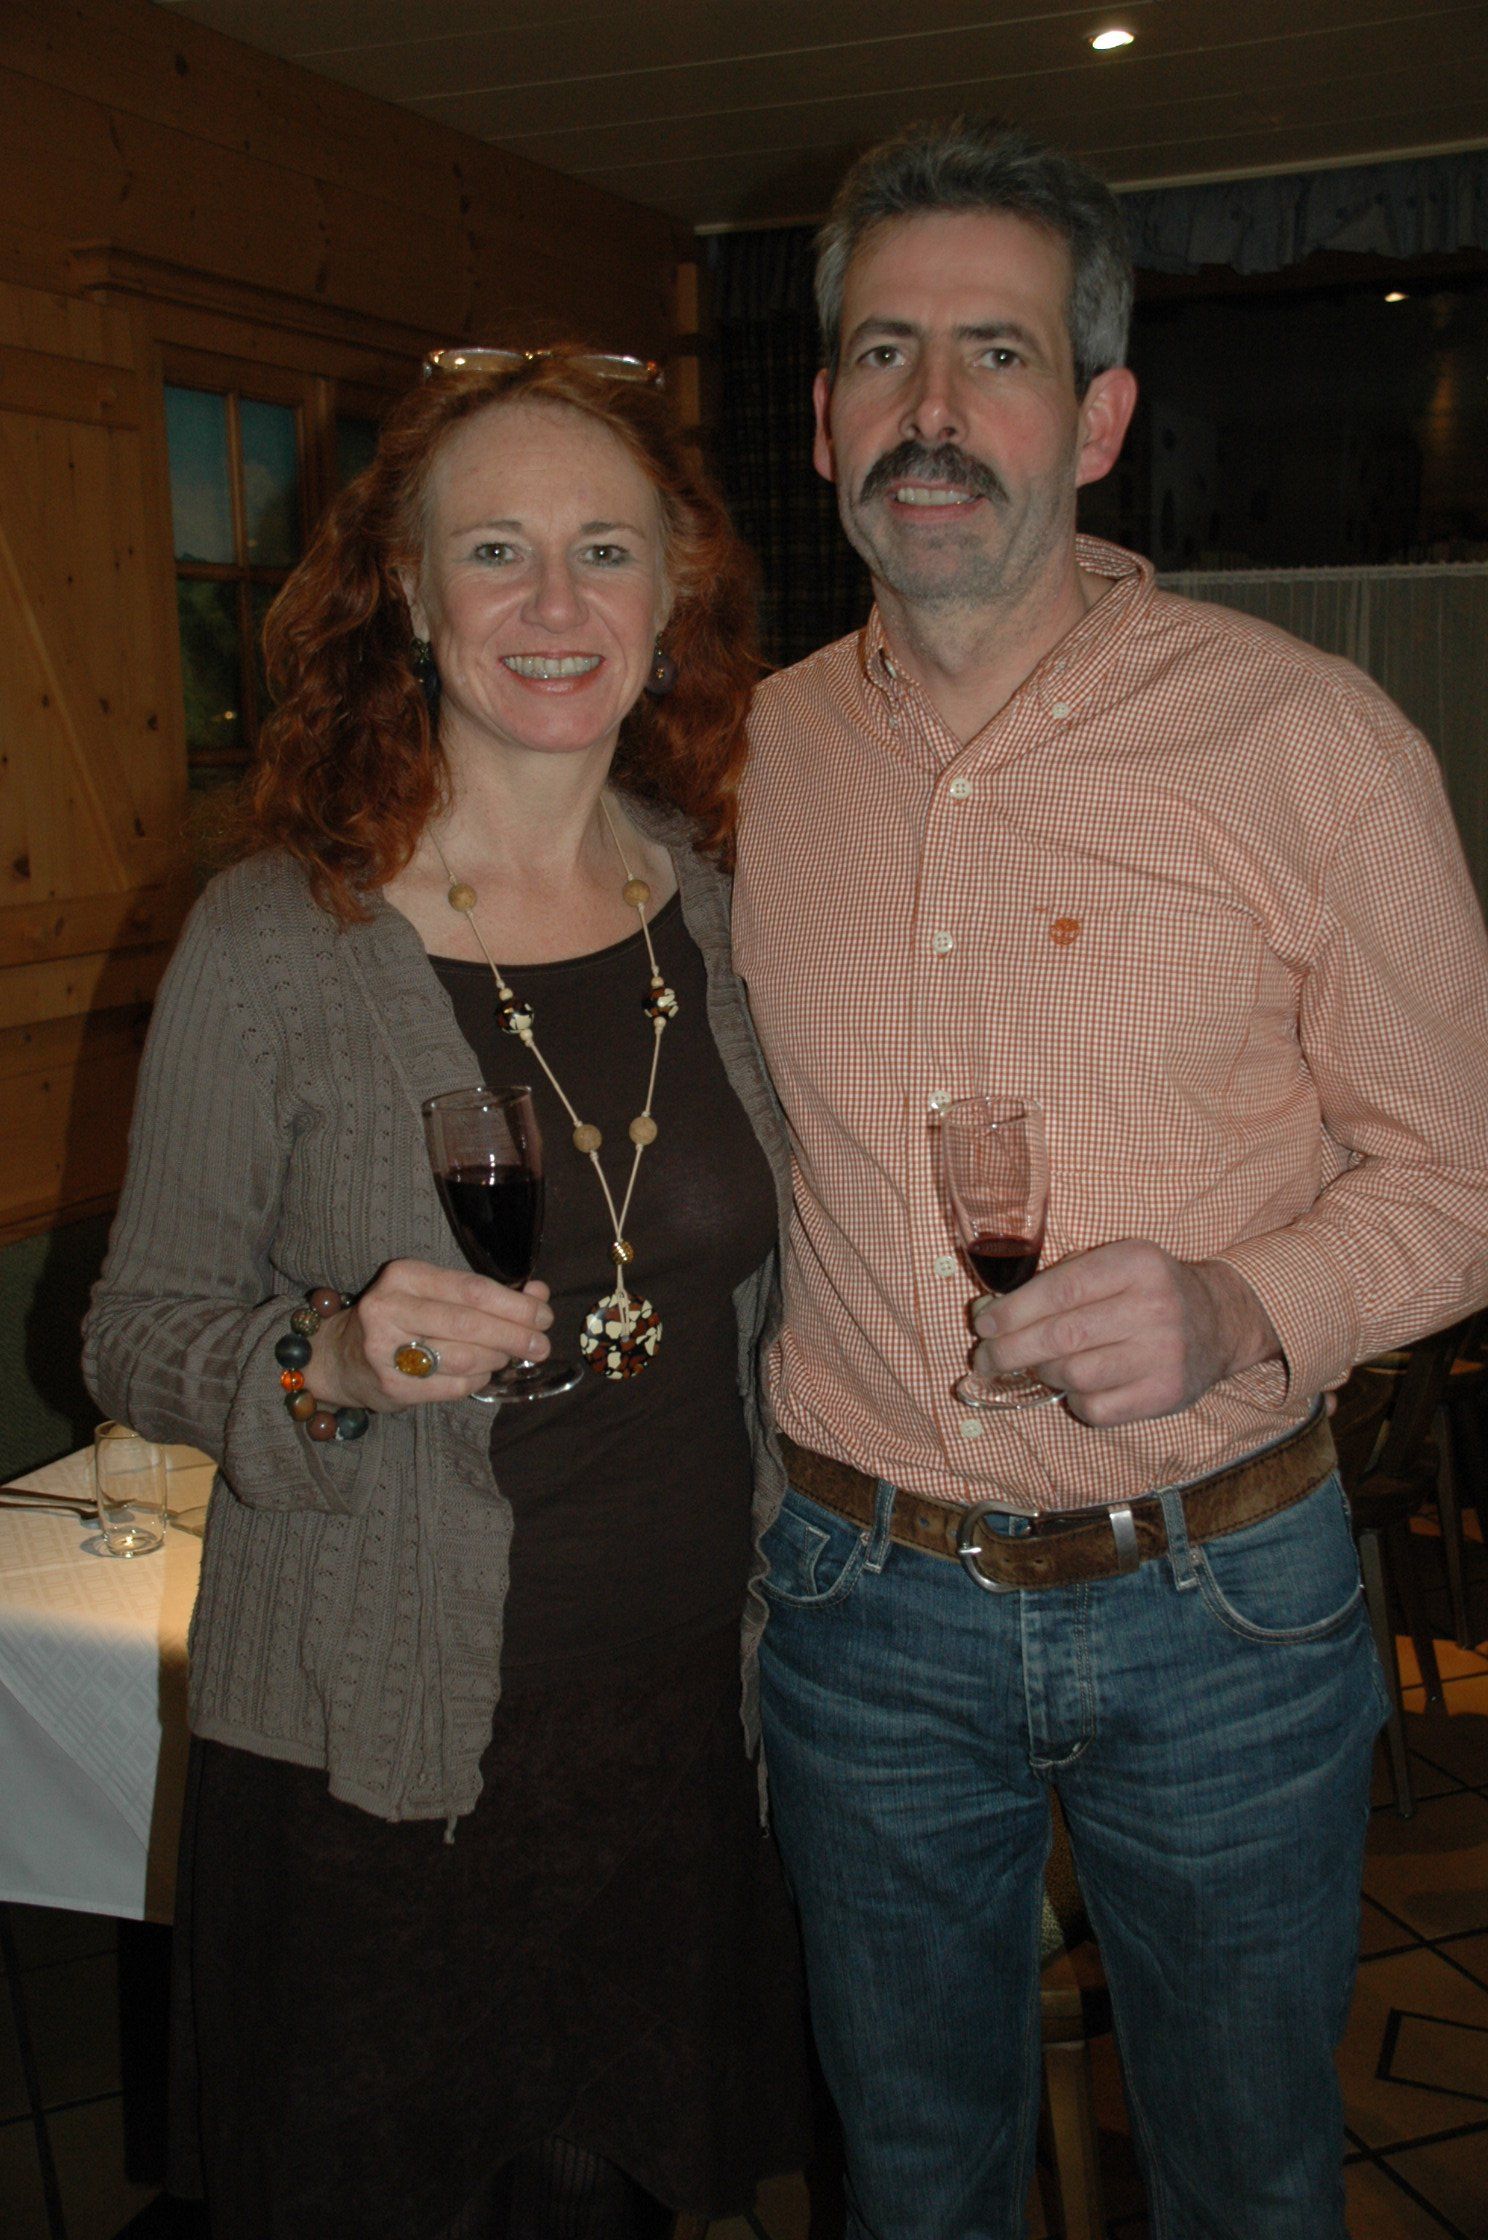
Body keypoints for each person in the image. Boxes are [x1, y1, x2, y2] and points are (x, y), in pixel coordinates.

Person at [731, 118, 1488, 2240]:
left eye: (997, 353)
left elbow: (1466, 1172)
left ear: (1101, 418)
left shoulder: (1312, 744)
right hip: (861, 1605)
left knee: (1251, 2181)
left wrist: (1245, 1303)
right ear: (823, 420)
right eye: (886, 355)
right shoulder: (740, 762)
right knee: (914, 2184)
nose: (933, 411)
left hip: (1220, 1596)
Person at [84, 345, 809, 2240]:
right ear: (408, 593)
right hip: (369, 1744)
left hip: (676, 1717)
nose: (555, 603)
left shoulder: (730, 906)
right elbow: (134, 1330)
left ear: (674, 595)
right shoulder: (273, 937)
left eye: (605, 550)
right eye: (496, 550)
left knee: (610, 2201)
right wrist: (324, 1359)